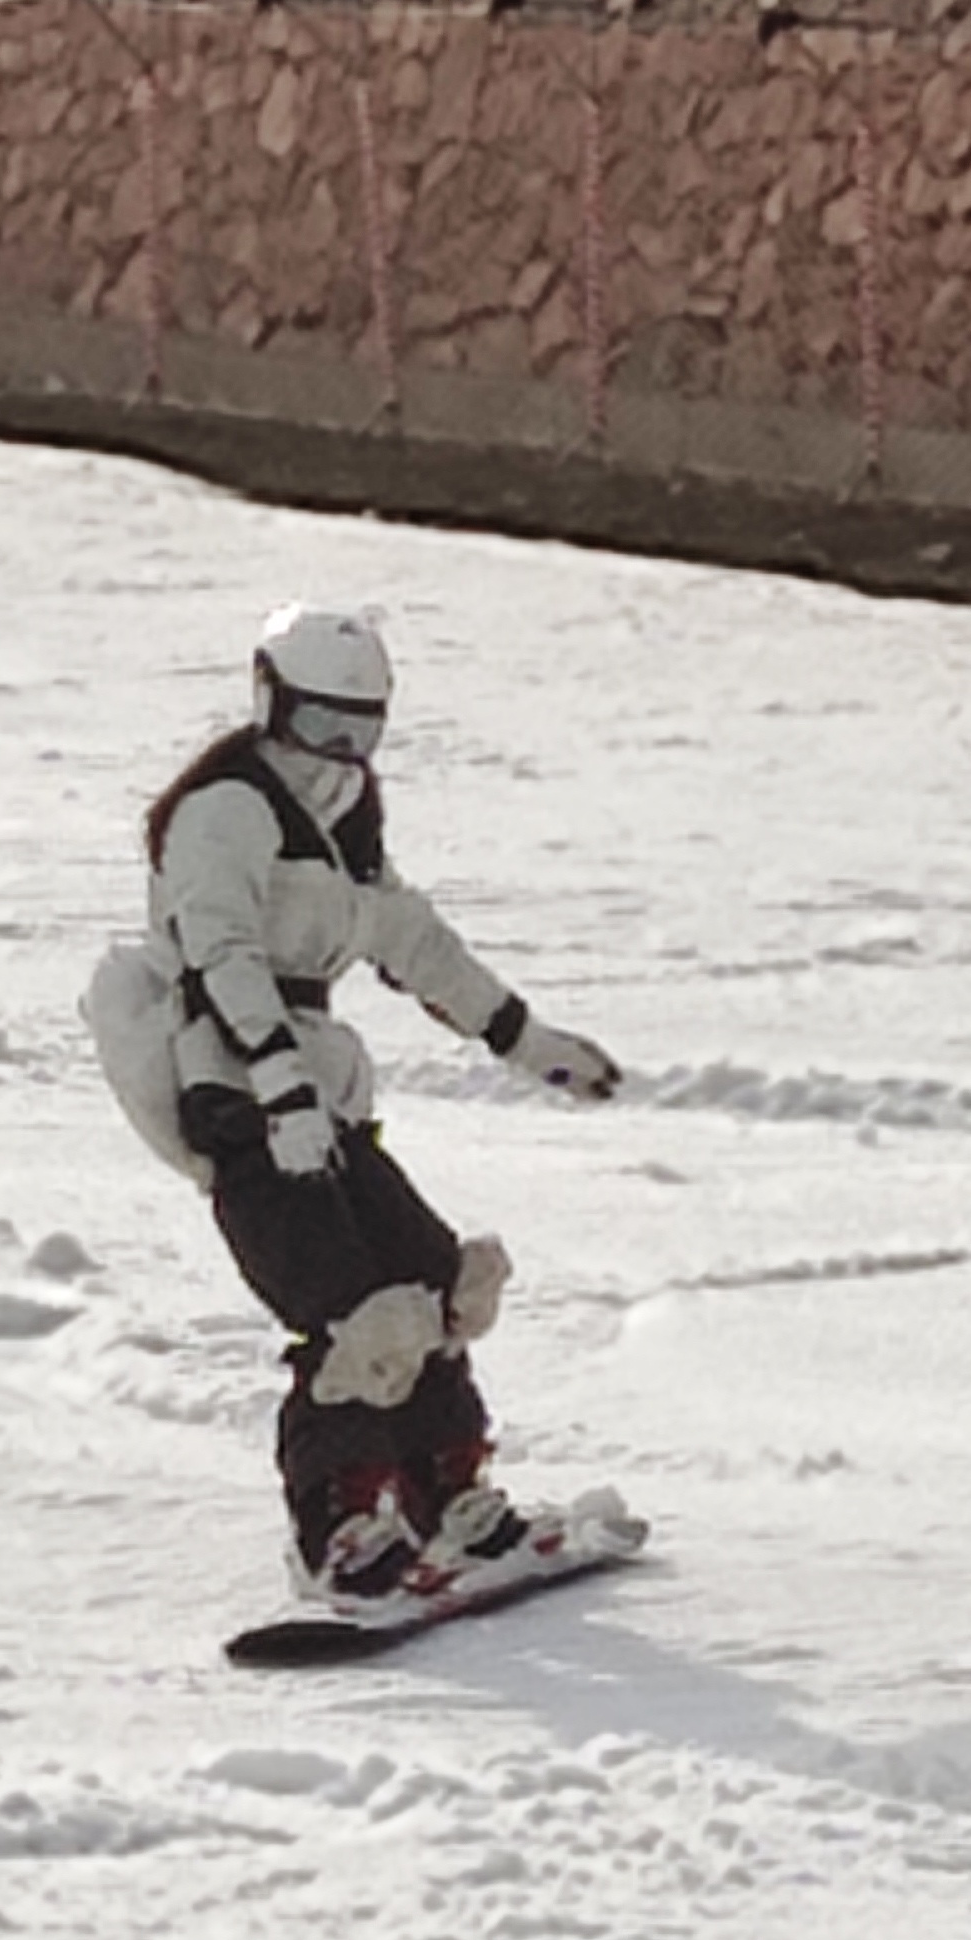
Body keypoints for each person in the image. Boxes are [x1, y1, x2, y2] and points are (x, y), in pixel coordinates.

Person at [132, 602, 622, 1609]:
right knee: (353, 1318)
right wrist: (272, 1080)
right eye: (320, 726)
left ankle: (450, 1503)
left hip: (321, 1096)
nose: (342, 751)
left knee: (432, 1285)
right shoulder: (225, 808)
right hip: (237, 1091)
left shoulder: (345, 820)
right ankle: (339, 1530)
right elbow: (217, 949)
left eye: (362, 730)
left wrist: (527, 1040)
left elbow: (413, 942)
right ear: (272, 702)